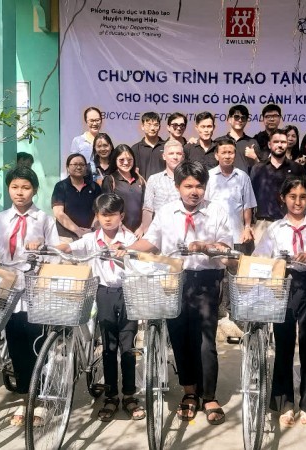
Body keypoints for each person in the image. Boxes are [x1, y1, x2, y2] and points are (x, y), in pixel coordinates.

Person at [128, 160, 233, 426]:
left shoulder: (217, 211)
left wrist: (207, 246)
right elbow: (151, 242)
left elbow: (225, 245)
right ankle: (189, 392)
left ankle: (209, 395)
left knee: (206, 340)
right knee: (180, 336)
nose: (194, 191)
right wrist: (126, 247)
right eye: (188, 186)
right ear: (178, 187)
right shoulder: (166, 213)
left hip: (206, 279)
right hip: (173, 280)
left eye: (199, 186)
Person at [0, 166, 60, 426]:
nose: (20, 192)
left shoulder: (44, 220)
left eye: (25, 187)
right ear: (9, 189)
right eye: (15, 187)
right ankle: (25, 397)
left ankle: (41, 399)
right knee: (16, 345)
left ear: (34, 190)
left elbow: (56, 255)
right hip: (8, 290)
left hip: (34, 290)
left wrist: (42, 249)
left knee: (37, 344)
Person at [55, 194, 144, 422]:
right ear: (97, 216)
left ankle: (130, 395)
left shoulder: (131, 238)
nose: (107, 220)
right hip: (103, 293)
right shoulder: (91, 239)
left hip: (127, 293)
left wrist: (127, 252)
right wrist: (61, 247)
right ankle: (111, 395)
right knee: (108, 346)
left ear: (121, 216)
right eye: (103, 215)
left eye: (112, 215)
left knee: (128, 346)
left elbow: (140, 262)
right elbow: (72, 246)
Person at [254, 176, 306, 427]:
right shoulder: (275, 229)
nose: (298, 202)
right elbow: (261, 258)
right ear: (283, 199)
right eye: (292, 197)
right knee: (284, 344)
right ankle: (284, 403)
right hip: (283, 285)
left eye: (303, 197)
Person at [250, 128, 303, 244]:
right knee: (261, 261)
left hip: (289, 224)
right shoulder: (258, 168)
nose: (280, 145)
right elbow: (250, 198)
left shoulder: (297, 169)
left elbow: (303, 197)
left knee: (285, 261)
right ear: (269, 144)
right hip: (262, 224)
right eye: (276, 142)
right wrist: (250, 224)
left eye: (283, 142)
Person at [205, 136, 257, 254]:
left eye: (230, 153)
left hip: (237, 235)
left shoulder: (243, 176)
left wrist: (247, 227)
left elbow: (247, 205)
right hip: (214, 236)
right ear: (216, 155)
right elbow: (204, 204)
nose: (227, 156)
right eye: (223, 152)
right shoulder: (209, 176)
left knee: (236, 270)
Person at [138, 140, 185, 237]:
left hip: (183, 231)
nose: (175, 157)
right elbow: (148, 209)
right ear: (164, 156)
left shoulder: (189, 180)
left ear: (183, 157)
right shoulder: (154, 179)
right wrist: (148, 234)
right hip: (159, 232)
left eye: (178, 153)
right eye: (171, 153)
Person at [51, 154, 101, 242]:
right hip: (66, 237)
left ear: (86, 168)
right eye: (75, 164)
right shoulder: (61, 186)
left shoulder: (94, 187)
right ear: (67, 167)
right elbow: (58, 213)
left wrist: (91, 230)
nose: (79, 167)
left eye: (82, 165)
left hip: (90, 236)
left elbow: (99, 211)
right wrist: (78, 231)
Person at [102, 144, 146, 233]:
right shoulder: (110, 180)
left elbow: (146, 205)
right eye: (121, 160)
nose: (126, 163)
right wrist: (122, 228)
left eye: (129, 160)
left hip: (140, 232)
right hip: (119, 231)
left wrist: (142, 227)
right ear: (115, 160)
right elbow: (108, 208)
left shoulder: (140, 179)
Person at [215, 104, 261, 172]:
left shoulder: (252, 142)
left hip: (246, 181)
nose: (240, 120)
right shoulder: (218, 141)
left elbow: (261, 169)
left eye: (243, 118)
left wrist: (255, 157)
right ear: (229, 119)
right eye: (236, 117)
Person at [68, 107, 103, 177]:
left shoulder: (105, 141)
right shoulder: (78, 140)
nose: (95, 123)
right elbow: (73, 163)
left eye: (97, 120)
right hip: (83, 180)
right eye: (91, 121)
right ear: (86, 121)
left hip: (102, 180)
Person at [131, 112, 166, 180]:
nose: (152, 128)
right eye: (148, 125)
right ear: (142, 127)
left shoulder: (166, 146)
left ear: (159, 127)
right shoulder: (135, 148)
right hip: (143, 188)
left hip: (164, 188)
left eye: (156, 125)